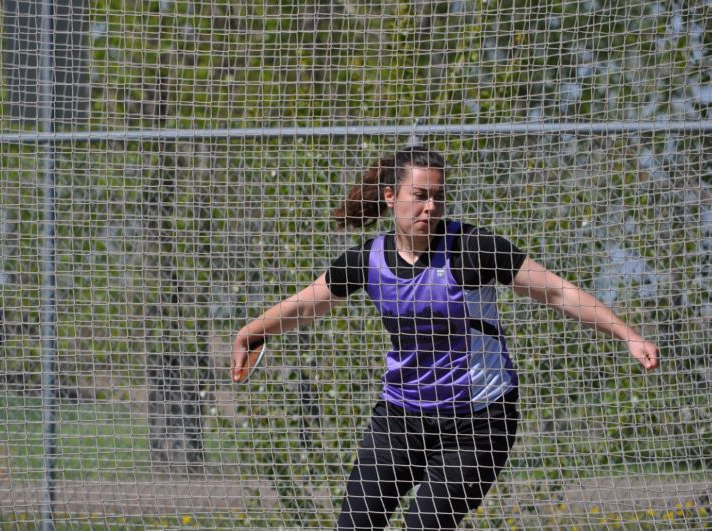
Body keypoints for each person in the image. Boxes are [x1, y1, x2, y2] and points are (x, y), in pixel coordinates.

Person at [230, 146, 659, 530]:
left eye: (438, 196)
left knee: (422, 525)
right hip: (401, 417)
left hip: (479, 422)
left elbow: (557, 291)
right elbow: (307, 304)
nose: (430, 206)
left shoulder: (472, 249)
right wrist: (251, 332)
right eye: (420, 196)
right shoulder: (367, 260)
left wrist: (627, 335)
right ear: (390, 196)